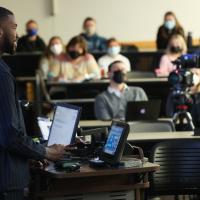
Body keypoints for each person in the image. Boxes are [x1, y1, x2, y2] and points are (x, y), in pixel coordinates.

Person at [0, 7, 66, 200]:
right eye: (13, 27)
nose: (17, 34)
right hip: (7, 184)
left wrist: (27, 158)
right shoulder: (2, 74)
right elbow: (10, 135)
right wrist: (48, 152)